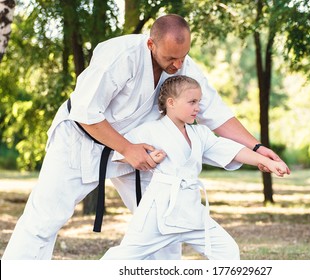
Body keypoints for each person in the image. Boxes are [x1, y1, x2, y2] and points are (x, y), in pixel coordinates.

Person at [2, 14, 289, 260]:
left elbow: (215, 113)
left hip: (139, 148)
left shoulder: (183, 65)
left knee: (166, 216)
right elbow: (85, 111)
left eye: (183, 56)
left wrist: (257, 147)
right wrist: (127, 148)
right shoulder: (119, 56)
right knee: (43, 221)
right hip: (79, 141)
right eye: (170, 58)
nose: (178, 65)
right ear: (151, 43)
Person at [101, 75, 289, 260]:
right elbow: (121, 154)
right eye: (192, 102)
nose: (197, 108)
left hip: (191, 211)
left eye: (199, 102)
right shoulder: (150, 130)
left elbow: (230, 150)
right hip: (158, 214)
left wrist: (266, 162)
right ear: (171, 102)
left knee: (227, 251)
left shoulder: (200, 133)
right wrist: (147, 157)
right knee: (123, 258)